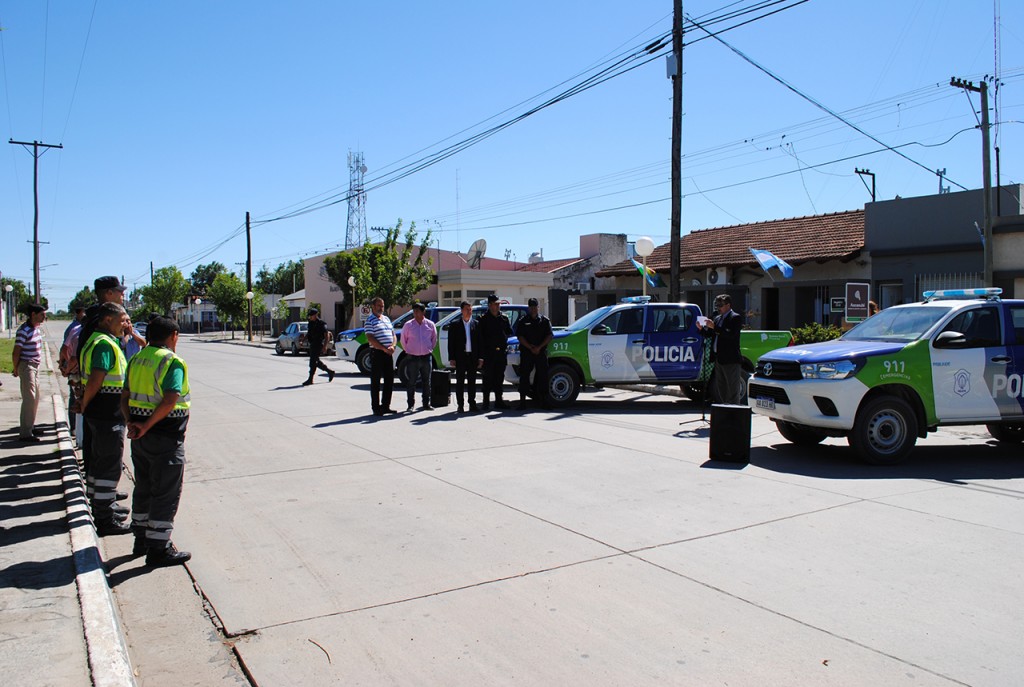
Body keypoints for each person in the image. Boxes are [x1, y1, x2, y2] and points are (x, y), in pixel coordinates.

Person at [121, 316, 192, 567]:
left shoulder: (136, 359)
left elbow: (124, 396)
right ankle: (158, 549)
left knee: (144, 487)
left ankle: (141, 539)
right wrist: (147, 425)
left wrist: (132, 423)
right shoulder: (172, 361)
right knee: (165, 493)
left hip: (140, 438)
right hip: (165, 437)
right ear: (173, 336)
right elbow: (171, 399)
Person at [80, 302, 132, 535]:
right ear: (108, 320)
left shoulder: (100, 340)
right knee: (109, 465)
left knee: (100, 462)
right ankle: (105, 518)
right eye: (122, 320)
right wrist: (85, 402)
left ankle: (102, 505)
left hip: (101, 411)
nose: (125, 325)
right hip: (106, 412)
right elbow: (96, 378)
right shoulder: (103, 344)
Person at [74, 276, 128, 480]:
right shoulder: (101, 334)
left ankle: (97, 490)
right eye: (119, 291)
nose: (123, 295)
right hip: (105, 407)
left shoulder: (96, 325)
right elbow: (97, 374)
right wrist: (84, 401)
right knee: (104, 458)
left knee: (100, 455)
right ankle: (103, 496)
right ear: (108, 293)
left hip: (99, 404)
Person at [700, 294, 745, 405]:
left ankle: (733, 411)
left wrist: (715, 327)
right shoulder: (717, 318)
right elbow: (710, 334)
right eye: (717, 305)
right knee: (721, 389)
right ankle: (725, 409)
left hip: (730, 359)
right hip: (719, 359)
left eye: (721, 305)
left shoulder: (735, 318)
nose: (718, 308)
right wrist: (701, 329)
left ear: (728, 305)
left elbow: (730, 335)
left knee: (732, 390)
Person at [12, 304, 46, 443]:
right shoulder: (24, 330)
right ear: (33, 314)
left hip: (35, 366)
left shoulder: (36, 329)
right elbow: (16, 352)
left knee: (35, 397)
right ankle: (25, 433)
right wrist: (16, 368)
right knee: (29, 398)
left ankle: (30, 426)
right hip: (27, 365)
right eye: (41, 314)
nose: (44, 317)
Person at [514, 297, 553, 411]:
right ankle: (522, 402)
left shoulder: (544, 321)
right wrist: (530, 347)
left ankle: (544, 401)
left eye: (535, 307)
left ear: (538, 307)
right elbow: (520, 336)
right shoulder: (523, 321)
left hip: (540, 352)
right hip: (527, 352)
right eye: (531, 307)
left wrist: (539, 347)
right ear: (528, 308)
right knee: (524, 376)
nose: (533, 309)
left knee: (543, 376)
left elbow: (549, 336)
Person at [476, 294, 513, 411]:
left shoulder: (504, 318)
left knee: (499, 378)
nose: (498, 306)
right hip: (489, 353)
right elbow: (480, 339)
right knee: (487, 378)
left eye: (498, 304)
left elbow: (510, 332)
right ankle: (486, 402)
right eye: (495, 304)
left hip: (500, 353)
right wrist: (481, 356)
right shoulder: (483, 319)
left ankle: (499, 401)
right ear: (490, 305)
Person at [401, 302, 437, 411]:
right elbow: (403, 340)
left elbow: (434, 339)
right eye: (414, 311)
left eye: (418, 311)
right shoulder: (408, 325)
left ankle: (426, 403)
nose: (415, 313)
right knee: (411, 381)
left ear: (423, 312)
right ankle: (410, 405)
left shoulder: (430, 324)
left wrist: (429, 349)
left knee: (427, 381)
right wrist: (408, 350)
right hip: (413, 357)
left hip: (426, 357)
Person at [447, 300, 481, 414]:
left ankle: (472, 403)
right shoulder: (455, 325)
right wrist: (452, 358)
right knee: (460, 382)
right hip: (460, 357)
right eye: (467, 309)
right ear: (462, 310)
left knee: (472, 382)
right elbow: (451, 343)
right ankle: (460, 405)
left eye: (470, 309)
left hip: (472, 357)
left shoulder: (476, 324)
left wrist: (480, 358)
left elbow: (480, 342)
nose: (469, 311)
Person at [364, 297, 396, 416]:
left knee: (389, 380)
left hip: (388, 353)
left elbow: (393, 334)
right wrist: (383, 348)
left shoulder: (386, 319)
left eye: (382, 306)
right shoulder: (369, 320)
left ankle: (386, 406)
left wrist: (393, 346)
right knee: (376, 381)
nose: (381, 308)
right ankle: (376, 407)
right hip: (377, 353)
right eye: (379, 306)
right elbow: (370, 338)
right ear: (373, 306)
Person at [302, 308, 336, 386]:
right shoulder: (310, 323)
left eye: (311, 315)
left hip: (318, 344)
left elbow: (326, 335)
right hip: (312, 344)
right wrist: (303, 340)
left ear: (316, 315)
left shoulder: (322, 324)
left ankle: (310, 379)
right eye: (310, 315)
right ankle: (330, 372)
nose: (310, 317)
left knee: (312, 362)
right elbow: (309, 333)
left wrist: (325, 346)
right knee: (316, 361)